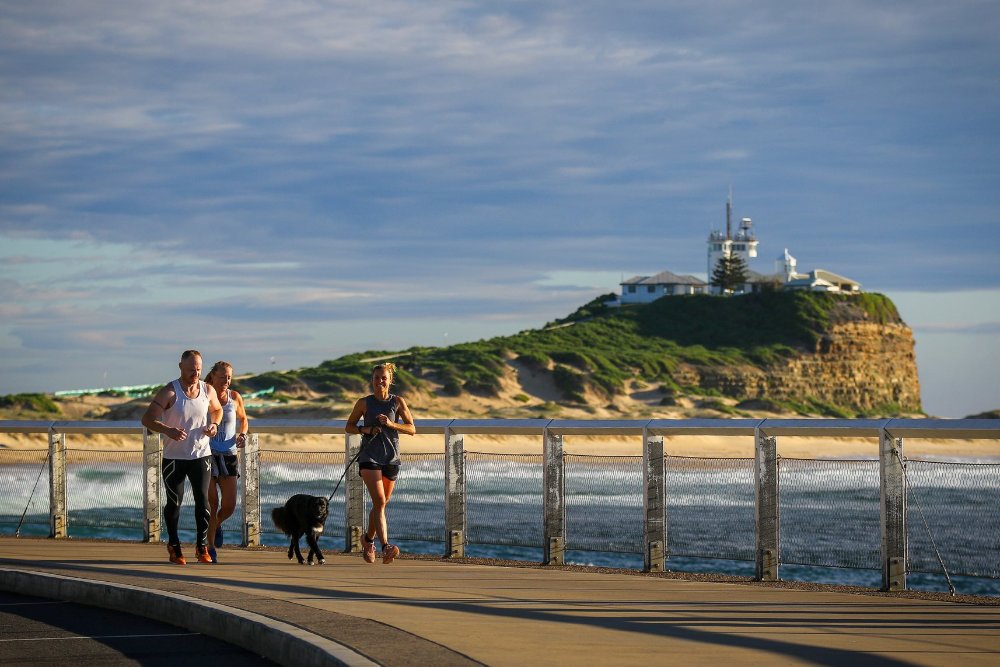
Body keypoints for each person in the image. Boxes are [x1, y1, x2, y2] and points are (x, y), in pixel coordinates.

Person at [142, 350, 223, 565]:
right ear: (180, 367)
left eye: (198, 369)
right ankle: (175, 546)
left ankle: (202, 546)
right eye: (191, 370)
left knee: (203, 502)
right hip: (174, 458)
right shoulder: (170, 392)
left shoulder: (208, 390)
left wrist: (214, 425)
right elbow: (147, 419)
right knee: (174, 503)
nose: (195, 373)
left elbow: (217, 410)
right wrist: (168, 430)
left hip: (201, 455)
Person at [345, 362, 416, 564]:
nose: (380, 381)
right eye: (376, 378)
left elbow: (412, 429)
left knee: (381, 505)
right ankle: (385, 546)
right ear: (372, 380)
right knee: (380, 502)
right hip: (369, 457)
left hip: (391, 458)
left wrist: (391, 424)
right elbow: (349, 426)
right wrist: (366, 430)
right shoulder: (364, 403)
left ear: (390, 380)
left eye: (383, 378)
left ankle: (367, 540)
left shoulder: (397, 402)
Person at [204, 360, 248, 563]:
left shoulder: (235, 397)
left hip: (229, 455)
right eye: (222, 377)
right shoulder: (203, 395)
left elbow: (243, 419)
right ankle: (210, 546)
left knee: (229, 506)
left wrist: (243, 434)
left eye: (229, 377)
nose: (226, 380)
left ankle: (215, 526)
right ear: (212, 376)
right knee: (213, 504)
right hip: (207, 454)